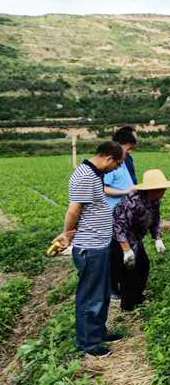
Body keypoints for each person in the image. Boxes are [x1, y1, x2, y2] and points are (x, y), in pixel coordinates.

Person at [50, 142, 124, 358]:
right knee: (91, 297)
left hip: (99, 243)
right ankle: (88, 344)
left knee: (101, 294)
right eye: (118, 164)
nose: (116, 169)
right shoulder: (84, 175)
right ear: (109, 158)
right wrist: (66, 234)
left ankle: (98, 333)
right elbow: (73, 211)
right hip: (90, 247)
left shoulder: (94, 174)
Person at [110, 169, 170, 312]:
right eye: (160, 189)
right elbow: (118, 226)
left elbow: (155, 220)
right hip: (118, 239)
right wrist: (126, 249)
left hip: (135, 238)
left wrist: (157, 238)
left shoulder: (154, 201)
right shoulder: (132, 202)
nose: (163, 192)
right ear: (151, 189)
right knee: (127, 272)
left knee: (143, 266)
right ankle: (127, 307)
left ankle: (137, 298)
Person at [104, 128, 138, 208]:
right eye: (129, 148)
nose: (130, 152)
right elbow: (103, 189)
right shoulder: (110, 163)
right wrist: (126, 192)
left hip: (127, 208)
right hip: (114, 210)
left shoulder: (127, 159)